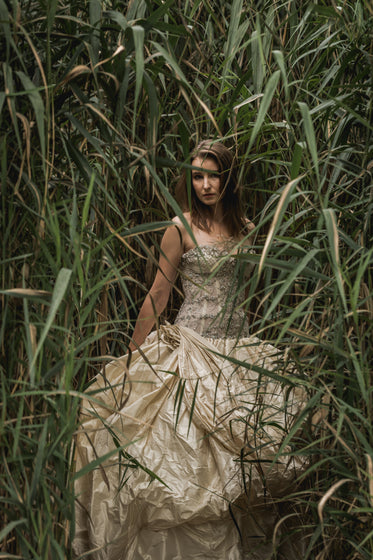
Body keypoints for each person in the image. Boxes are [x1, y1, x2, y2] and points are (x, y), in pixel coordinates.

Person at [73, 140, 306, 560]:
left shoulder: (247, 229)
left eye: (212, 174)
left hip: (240, 350)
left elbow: (249, 297)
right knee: (180, 457)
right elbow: (158, 295)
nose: (204, 184)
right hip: (191, 348)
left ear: (228, 177)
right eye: (196, 175)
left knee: (250, 460)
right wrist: (134, 358)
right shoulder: (180, 227)